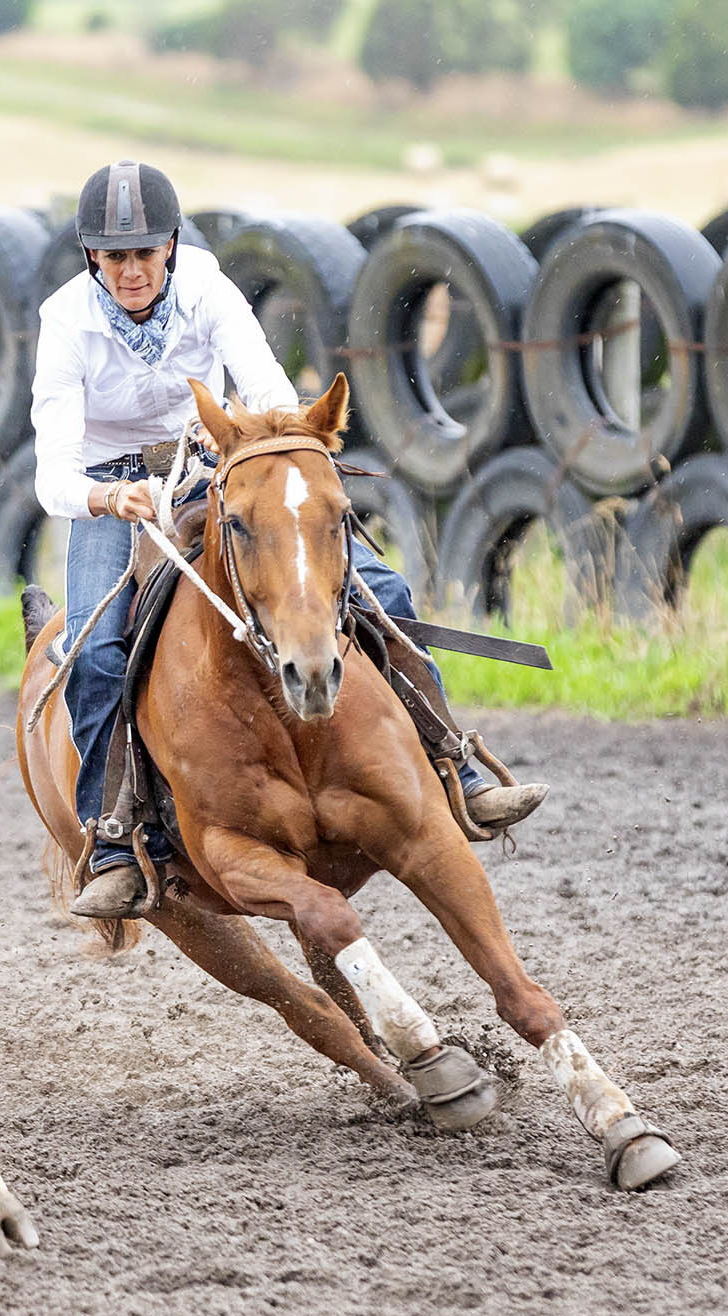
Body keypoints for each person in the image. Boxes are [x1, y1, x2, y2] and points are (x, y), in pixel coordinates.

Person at [32, 160, 547, 922]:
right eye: (115, 256)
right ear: (91, 257)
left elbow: (269, 389)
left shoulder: (208, 288)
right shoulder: (64, 320)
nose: (131, 270)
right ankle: (112, 838)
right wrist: (108, 497)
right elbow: (52, 472)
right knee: (96, 648)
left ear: (169, 246)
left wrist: (279, 452)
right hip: (113, 493)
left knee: (383, 590)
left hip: (217, 463)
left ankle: (455, 764)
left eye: (144, 252)